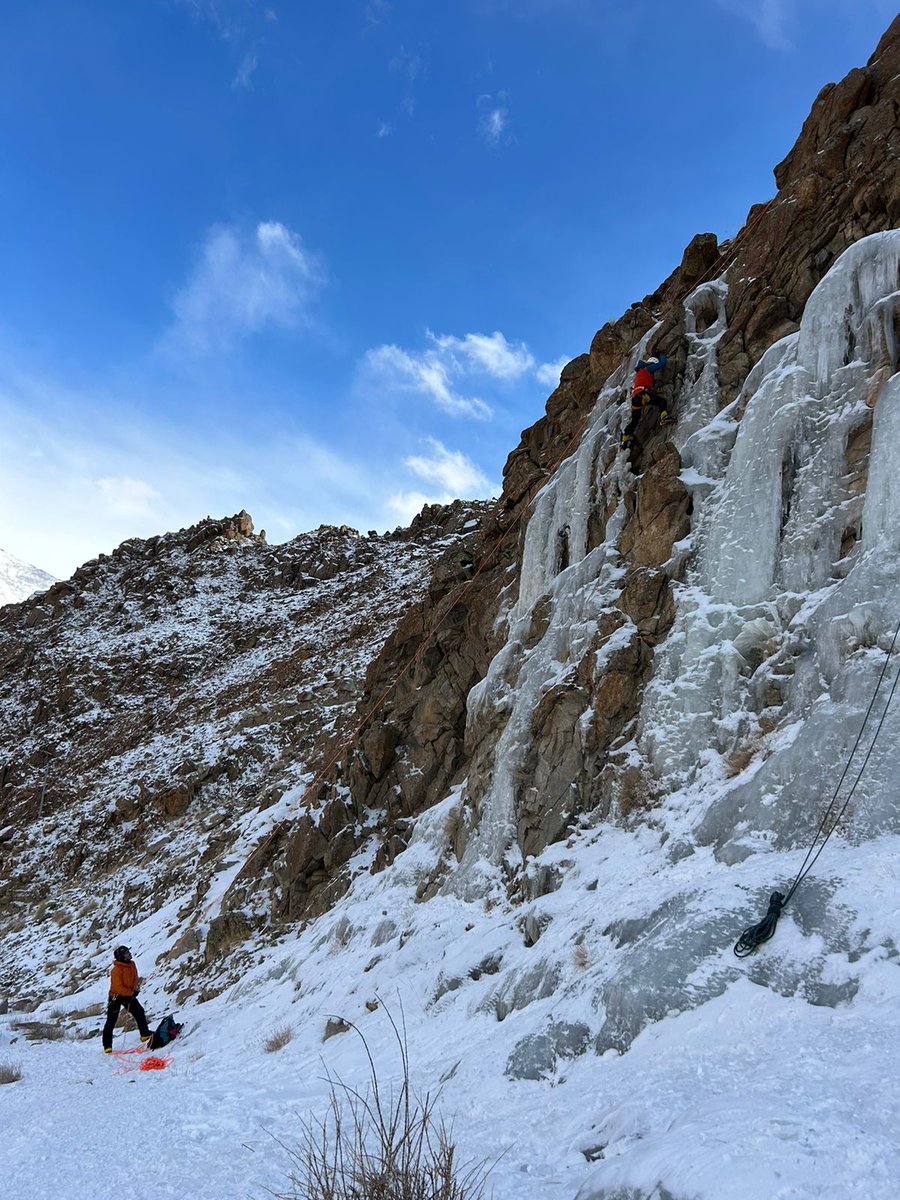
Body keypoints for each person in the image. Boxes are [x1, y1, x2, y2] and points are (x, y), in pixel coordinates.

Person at [101, 945, 152, 1053]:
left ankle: (144, 1034)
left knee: (139, 1012)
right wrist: (131, 993)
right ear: (121, 957)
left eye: (128, 952)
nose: (129, 954)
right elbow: (118, 987)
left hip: (128, 995)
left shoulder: (132, 964)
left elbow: (135, 978)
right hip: (116, 996)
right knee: (111, 1020)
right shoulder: (116, 970)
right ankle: (107, 1046)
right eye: (126, 953)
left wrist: (135, 989)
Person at [621, 354, 671, 448]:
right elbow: (661, 363)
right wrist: (662, 355)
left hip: (635, 399)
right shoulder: (648, 369)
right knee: (661, 401)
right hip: (642, 395)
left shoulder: (639, 373)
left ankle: (625, 438)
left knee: (635, 420)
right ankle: (664, 417)